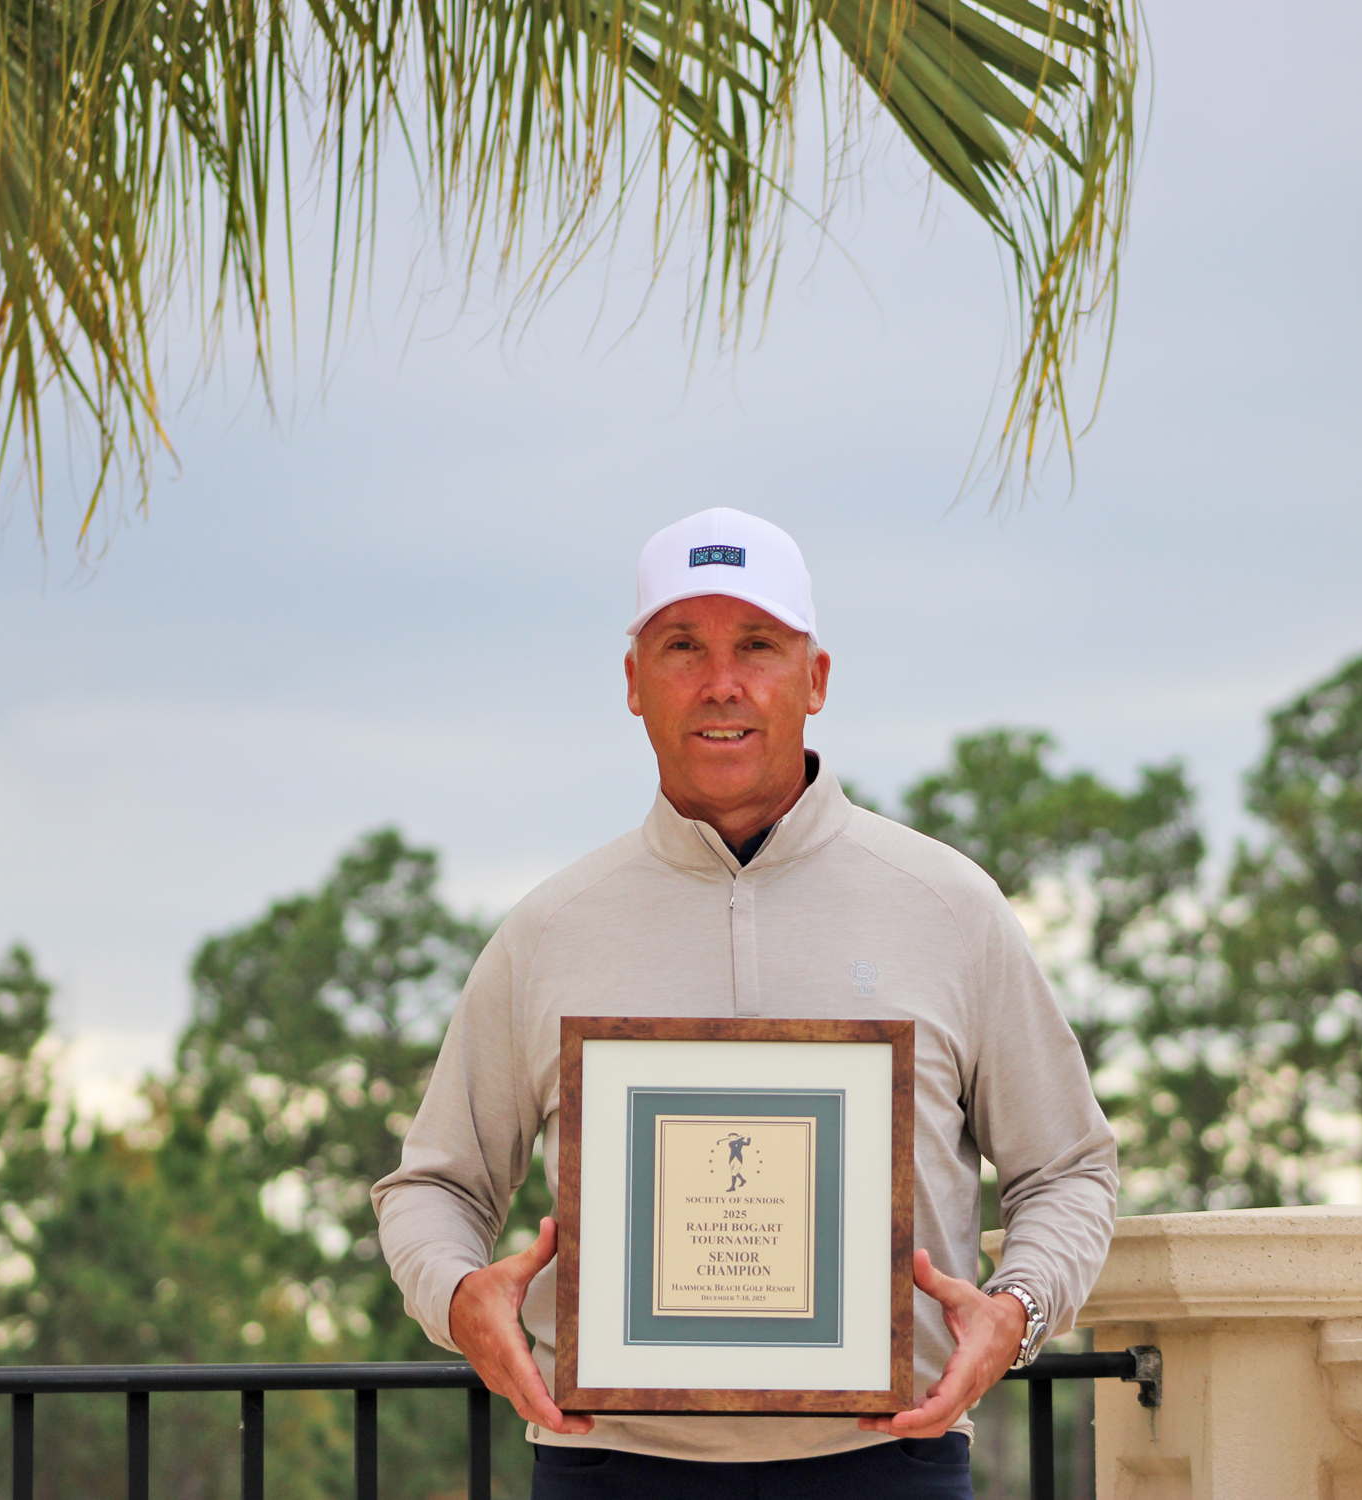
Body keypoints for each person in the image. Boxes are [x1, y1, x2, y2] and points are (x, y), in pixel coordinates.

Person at [373, 508, 1117, 1499]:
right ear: (633, 682)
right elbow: (432, 1187)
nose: (721, 682)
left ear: (814, 679)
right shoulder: (548, 931)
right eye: (683, 646)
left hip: (886, 1466)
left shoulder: (949, 908)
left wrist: (1015, 1312)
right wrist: (459, 1298)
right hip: (609, 1469)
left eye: (757, 645)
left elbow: (1068, 1168)